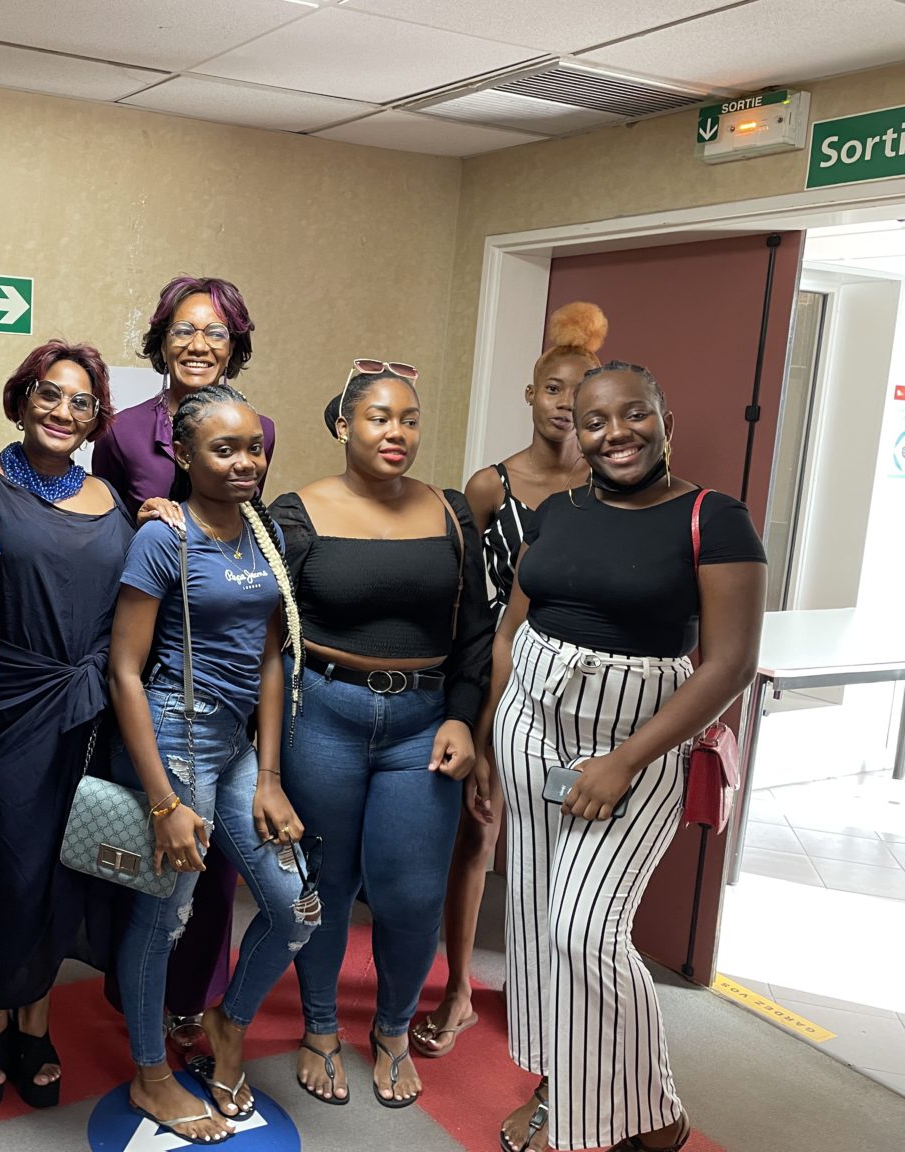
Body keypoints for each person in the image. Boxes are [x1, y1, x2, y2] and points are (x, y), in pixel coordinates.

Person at [479, 362, 765, 1152]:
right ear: (578, 432)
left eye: (634, 414)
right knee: (537, 918)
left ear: (665, 419)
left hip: (633, 742)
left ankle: (654, 1114)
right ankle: (558, 1083)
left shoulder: (714, 518)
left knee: (585, 931)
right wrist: (490, 735)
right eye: (595, 421)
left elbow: (730, 664)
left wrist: (624, 761)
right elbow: (512, 629)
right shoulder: (557, 511)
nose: (616, 434)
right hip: (529, 727)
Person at [269, 364, 491, 1110]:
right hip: (323, 714)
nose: (397, 433)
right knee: (323, 885)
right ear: (344, 425)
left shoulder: (451, 514)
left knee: (411, 892)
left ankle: (393, 1029)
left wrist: (462, 713)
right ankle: (320, 1027)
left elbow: (475, 631)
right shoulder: (297, 513)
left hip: (425, 724)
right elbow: (266, 630)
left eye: (410, 419)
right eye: (378, 417)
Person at [109, 383, 316, 1144]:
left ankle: (229, 1026)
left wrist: (271, 776)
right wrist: (164, 802)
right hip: (175, 737)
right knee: (165, 913)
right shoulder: (164, 537)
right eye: (223, 450)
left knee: (295, 906)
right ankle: (150, 1073)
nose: (244, 463)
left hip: (237, 746)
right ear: (185, 455)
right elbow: (124, 671)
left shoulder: (266, 532)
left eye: (253, 447)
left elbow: (270, 657)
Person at [412, 303, 607, 1060]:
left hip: (583, 686)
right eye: (553, 389)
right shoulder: (490, 485)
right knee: (479, 828)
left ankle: (549, 991)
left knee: (568, 841)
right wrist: (474, 709)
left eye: (580, 391)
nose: (565, 403)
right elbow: (465, 595)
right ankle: (459, 990)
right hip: (498, 672)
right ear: (531, 394)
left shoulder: (610, 486)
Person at [92, 275, 273, 1048]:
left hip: (223, 659)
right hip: (146, 654)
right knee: (153, 857)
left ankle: (193, 1003)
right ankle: (136, 1005)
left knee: (218, 871)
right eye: (184, 330)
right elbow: (97, 516)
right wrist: (142, 516)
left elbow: (243, 520)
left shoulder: (257, 428)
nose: (199, 345)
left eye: (216, 332)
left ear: (236, 345)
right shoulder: (123, 432)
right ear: (160, 340)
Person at [0, 341, 132, 1110]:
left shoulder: (112, 499)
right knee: (11, 869)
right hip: (9, 707)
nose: (63, 411)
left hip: (95, 712)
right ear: (22, 399)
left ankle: (36, 1018)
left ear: (96, 418)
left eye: (81, 401)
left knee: (71, 870)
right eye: (49, 394)